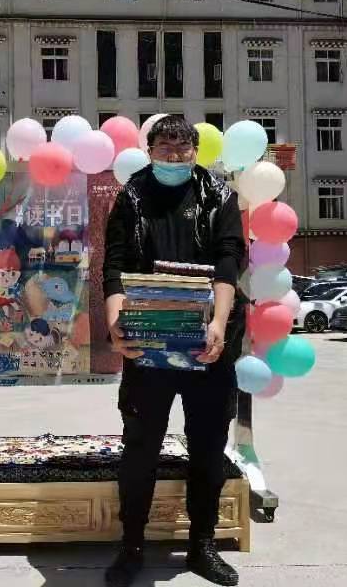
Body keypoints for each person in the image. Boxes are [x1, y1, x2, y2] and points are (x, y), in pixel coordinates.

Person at [102, 115, 245, 587]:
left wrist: (219, 324)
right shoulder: (131, 196)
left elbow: (228, 260)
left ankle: (202, 545)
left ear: (196, 153)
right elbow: (115, 265)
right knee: (140, 447)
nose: (174, 156)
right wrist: (117, 327)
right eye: (165, 148)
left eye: (183, 149)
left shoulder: (219, 195)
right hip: (149, 343)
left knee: (207, 446)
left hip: (208, 343)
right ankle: (131, 546)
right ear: (150, 152)